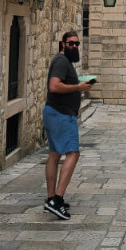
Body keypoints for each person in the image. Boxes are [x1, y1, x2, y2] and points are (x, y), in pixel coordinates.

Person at [43, 31, 93, 220]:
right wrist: (79, 88)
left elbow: (61, 84)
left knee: (55, 155)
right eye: (71, 43)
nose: (74, 46)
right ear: (62, 44)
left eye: (77, 44)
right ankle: (57, 199)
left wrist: (79, 83)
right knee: (73, 153)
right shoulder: (62, 61)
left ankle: (50, 199)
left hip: (54, 112)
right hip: (61, 115)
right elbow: (54, 86)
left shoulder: (63, 62)